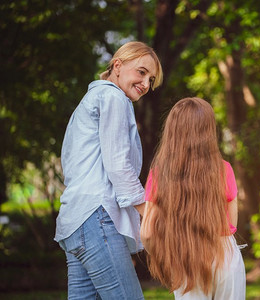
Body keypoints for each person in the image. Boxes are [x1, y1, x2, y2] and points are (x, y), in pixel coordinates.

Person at [54, 41, 163, 300]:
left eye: (151, 79)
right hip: (95, 218)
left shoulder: (92, 99)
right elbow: (118, 164)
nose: (146, 83)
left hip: (74, 221)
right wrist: (146, 209)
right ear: (117, 65)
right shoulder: (113, 97)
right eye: (141, 72)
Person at [140, 97, 246, 299]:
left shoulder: (159, 174)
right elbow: (232, 224)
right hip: (226, 256)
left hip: (186, 256)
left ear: (172, 131)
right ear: (208, 131)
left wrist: (163, 257)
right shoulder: (224, 169)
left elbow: (147, 233)